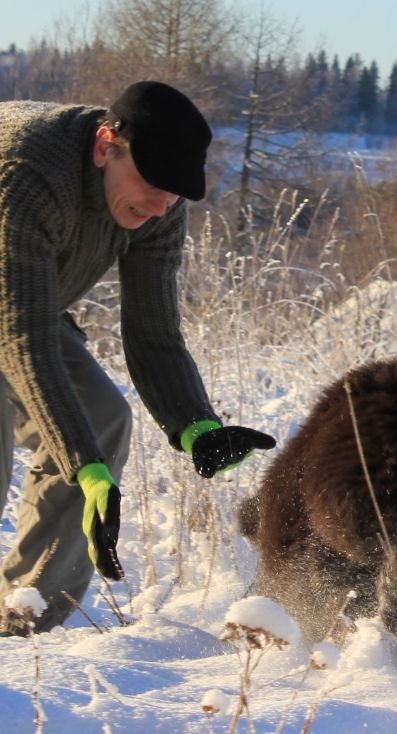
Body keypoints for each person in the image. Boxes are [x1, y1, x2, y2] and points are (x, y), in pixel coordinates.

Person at [0, 81, 276, 636]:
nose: (158, 208)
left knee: (100, 423)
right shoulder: (26, 173)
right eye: (151, 188)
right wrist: (84, 466)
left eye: (171, 197)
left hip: (29, 302)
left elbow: (153, 333)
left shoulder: (160, 203)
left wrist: (197, 425)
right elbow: (21, 338)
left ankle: (26, 624)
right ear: (106, 147)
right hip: (17, 309)